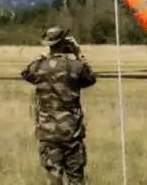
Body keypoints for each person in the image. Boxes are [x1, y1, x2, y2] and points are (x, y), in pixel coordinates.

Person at [21, 26, 97, 185]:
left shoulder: (40, 67)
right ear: (64, 42)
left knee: (54, 178)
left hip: (48, 132)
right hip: (71, 131)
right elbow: (90, 78)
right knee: (76, 177)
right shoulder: (74, 66)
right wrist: (78, 54)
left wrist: (44, 56)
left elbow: (26, 73)